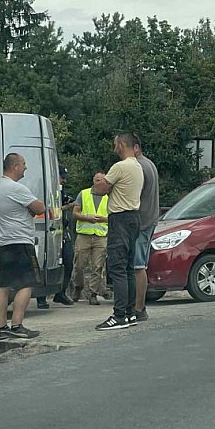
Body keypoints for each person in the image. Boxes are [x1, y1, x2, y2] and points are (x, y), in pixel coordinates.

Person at [93, 132, 143, 331]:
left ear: (121, 144)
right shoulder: (138, 166)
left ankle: (119, 314)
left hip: (120, 218)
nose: (114, 148)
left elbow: (99, 189)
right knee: (129, 268)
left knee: (118, 268)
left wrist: (102, 183)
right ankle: (130, 313)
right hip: (134, 217)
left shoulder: (120, 167)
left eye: (116, 144)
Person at [0, 153, 42, 340]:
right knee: (27, 283)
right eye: (23, 164)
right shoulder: (16, 188)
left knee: (3, 285)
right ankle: (17, 326)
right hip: (20, 242)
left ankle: (2, 328)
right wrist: (31, 209)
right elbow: (40, 208)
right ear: (14, 166)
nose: (25, 168)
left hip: (3, 242)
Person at [37, 167, 76, 308]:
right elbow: (50, 209)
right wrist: (65, 207)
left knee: (68, 260)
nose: (64, 180)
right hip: (47, 230)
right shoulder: (45, 189)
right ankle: (41, 297)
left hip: (61, 230)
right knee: (44, 262)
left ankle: (61, 293)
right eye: (62, 177)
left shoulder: (60, 190)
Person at [132, 136, 160, 321]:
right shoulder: (149, 164)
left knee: (137, 266)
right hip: (148, 220)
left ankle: (138, 308)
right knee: (138, 265)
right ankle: (137, 307)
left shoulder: (140, 167)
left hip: (141, 223)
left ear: (135, 147)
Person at [72, 172, 109, 306]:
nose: (100, 182)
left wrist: (104, 219)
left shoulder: (109, 196)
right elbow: (75, 212)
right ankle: (78, 287)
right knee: (79, 265)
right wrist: (87, 218)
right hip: (84, 235)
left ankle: (93, 293)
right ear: (93, 180)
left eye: (102, 180)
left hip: (101, 236)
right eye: (97, 180)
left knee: (97, 266)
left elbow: (115, 216)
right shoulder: (84, 193)